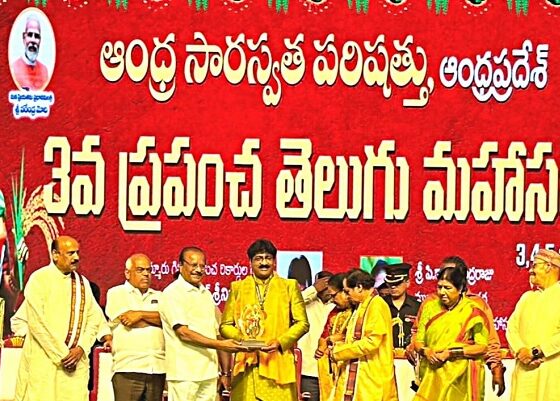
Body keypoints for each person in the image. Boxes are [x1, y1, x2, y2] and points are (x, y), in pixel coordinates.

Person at [14, 235, 110, 401]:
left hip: (75, 366)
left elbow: (93, 320)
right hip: (44, 361)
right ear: (55, 255)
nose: (76, 257)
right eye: (70, 253)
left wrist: (81, 348)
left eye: (77, 252)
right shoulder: (39, 279)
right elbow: (37, 324)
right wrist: (63, 355)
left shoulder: (82, 283)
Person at [220, 239, 310, 401]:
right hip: (246, 367)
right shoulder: (238, 287)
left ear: (274, 262)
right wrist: (243, 340)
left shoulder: (289, 286)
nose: (263, 263)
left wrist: (280, 342)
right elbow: (225, 326)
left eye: (268, 258)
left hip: (278, 364)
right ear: (250, 262)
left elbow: (302, 323)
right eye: (258, 259)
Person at [407, 256, 506, 396]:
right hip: (433, 374)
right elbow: (417, 333)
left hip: (464, 379)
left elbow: (488, 343)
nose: (442, 290)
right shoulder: (430, 303)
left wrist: (496, 368)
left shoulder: (476, 306)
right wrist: (421, 350)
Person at [159, 246, 245, 401]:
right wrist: (221, 345)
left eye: (202, 266)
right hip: (184, 374)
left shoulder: (206, 294)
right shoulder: (172, 293)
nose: (198, 270)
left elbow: (216, 332)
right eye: (193, 265)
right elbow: (183, 333)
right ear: (180, 265)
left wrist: (224, 371)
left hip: (208, 372)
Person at [413, 266, 489, 401]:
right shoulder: (430, 307)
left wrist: (451, 353)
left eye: (447, 288)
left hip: (460, 380)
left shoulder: (472, 311)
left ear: (460, 289)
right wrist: (426, 352)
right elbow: (418, 341)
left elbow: (482, 347)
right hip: (431, 375)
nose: (442, 292)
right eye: (439, 287)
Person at [330, 269, 398, 401]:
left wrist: (339, 352)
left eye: (347, 291)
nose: (346, 296)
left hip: (371, 379)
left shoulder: (377, 305)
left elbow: (371, 342)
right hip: (362, 378)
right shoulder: (363, 305)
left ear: (359, 287)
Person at [105, 253, 165, 401]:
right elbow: (128, 320)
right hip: (128, 368)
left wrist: (139, 314)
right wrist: (156, 318)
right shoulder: (116, 293)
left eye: (148, 270)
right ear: (127, 273)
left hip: (157, 368)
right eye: (140, 270)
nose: (146, 274)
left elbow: (168, 321)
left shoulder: (161, 296)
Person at [506, 248, 560, 401]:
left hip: (551, 374)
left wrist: (536, 352)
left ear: (548, 267)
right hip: (524, 372)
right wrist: (521, 351)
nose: (530, 270)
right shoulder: (526, 298)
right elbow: (511, 328)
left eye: (535, 265)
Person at [314, 273, 352, 401]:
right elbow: (325, 334)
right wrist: (322, 345)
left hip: (350, 367)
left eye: (334, 295)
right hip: (331, 369)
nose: (332, 300)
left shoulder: (359, 312)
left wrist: (335, 339)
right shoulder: (335, 312)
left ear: (346, 292)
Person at [299, 270, 335, 401]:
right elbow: (289, 304)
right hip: (308, 371)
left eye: (329, 284)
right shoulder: (305, 304)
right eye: (323, 284)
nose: (326, 288)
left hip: (332, 371)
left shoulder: (337, 306)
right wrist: (313, 289)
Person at [382, 262, 420, 350]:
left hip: (410, 355)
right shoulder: (380, 304)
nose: (393, 287)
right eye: (390, 284)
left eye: (397, 283)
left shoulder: (417, 306)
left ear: (407, 282)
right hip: (385, 354)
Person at [11, 14, 49, 91]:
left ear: (40, 40)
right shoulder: (14, 69)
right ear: (24, 37)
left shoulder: (44, 71)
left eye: (36, 36)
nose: (33, 40)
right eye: (30, 35)